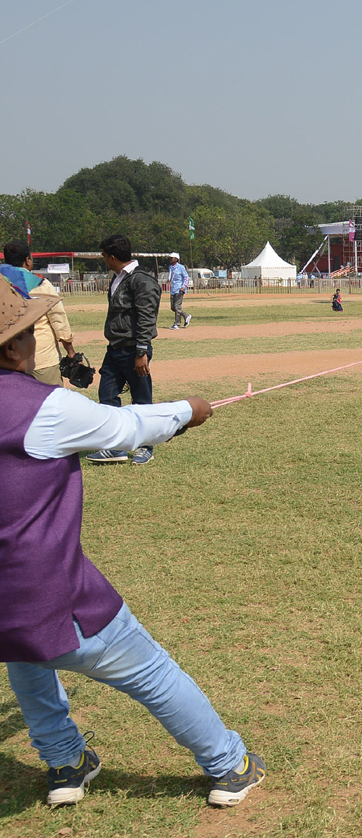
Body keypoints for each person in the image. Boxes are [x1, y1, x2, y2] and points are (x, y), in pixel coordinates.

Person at [0, 280, 265, 809]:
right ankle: (228, 763)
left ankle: (66, 763)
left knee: (25, 657)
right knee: (150, 671)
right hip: (53, 592)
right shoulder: (42, 408)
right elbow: (124, 427)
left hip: (6, 605)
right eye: (29, 332)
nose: (35, 342)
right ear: (11, 347)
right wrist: (188, 410)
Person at [85, 235, 161, 466]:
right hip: (114, 349)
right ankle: (115, 447)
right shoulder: (117, 278)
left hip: (133, 351)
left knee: (141, 399)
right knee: (107, 397)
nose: (104, 261)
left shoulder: (142, 281)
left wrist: (141, 353)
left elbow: (147, 317)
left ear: (113, 257)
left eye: (104, 257)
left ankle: (145, 446)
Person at [0, 241, 77, 386]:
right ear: (28, 260)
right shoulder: (40, 283)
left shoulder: (1, 283)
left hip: (7, 360)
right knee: (50, 404)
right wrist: (70, 350)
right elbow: (58, 319)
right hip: (41, 357)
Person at [167, 253, 192, 330]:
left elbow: (186, 277)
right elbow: (171, 277)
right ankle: (186, 315)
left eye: (172, 258)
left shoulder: (181, 267)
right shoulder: (171, 267)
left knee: (177, 307)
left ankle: (177, 324)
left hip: (179, 289)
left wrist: (183, 286)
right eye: (170, 258)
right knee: (173, 307)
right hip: (173, 289)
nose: (170, 259)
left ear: (176, 259)